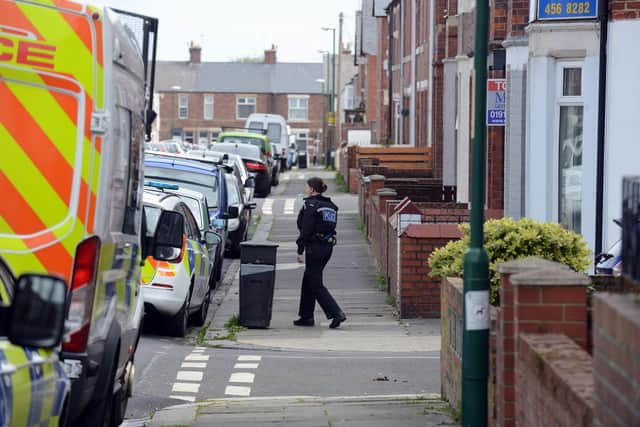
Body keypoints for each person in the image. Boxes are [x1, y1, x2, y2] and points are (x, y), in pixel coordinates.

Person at [294, 177, 346, 328]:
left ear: (312, 189)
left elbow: (306, 228)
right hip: (327, 247)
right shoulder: (330, 206)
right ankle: (306, 316)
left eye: (306, 187)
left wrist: (300, 248)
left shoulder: (310, 204)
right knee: (308, 279)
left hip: (314, 248)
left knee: (315, 283)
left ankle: (336, 313)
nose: (305, 190)